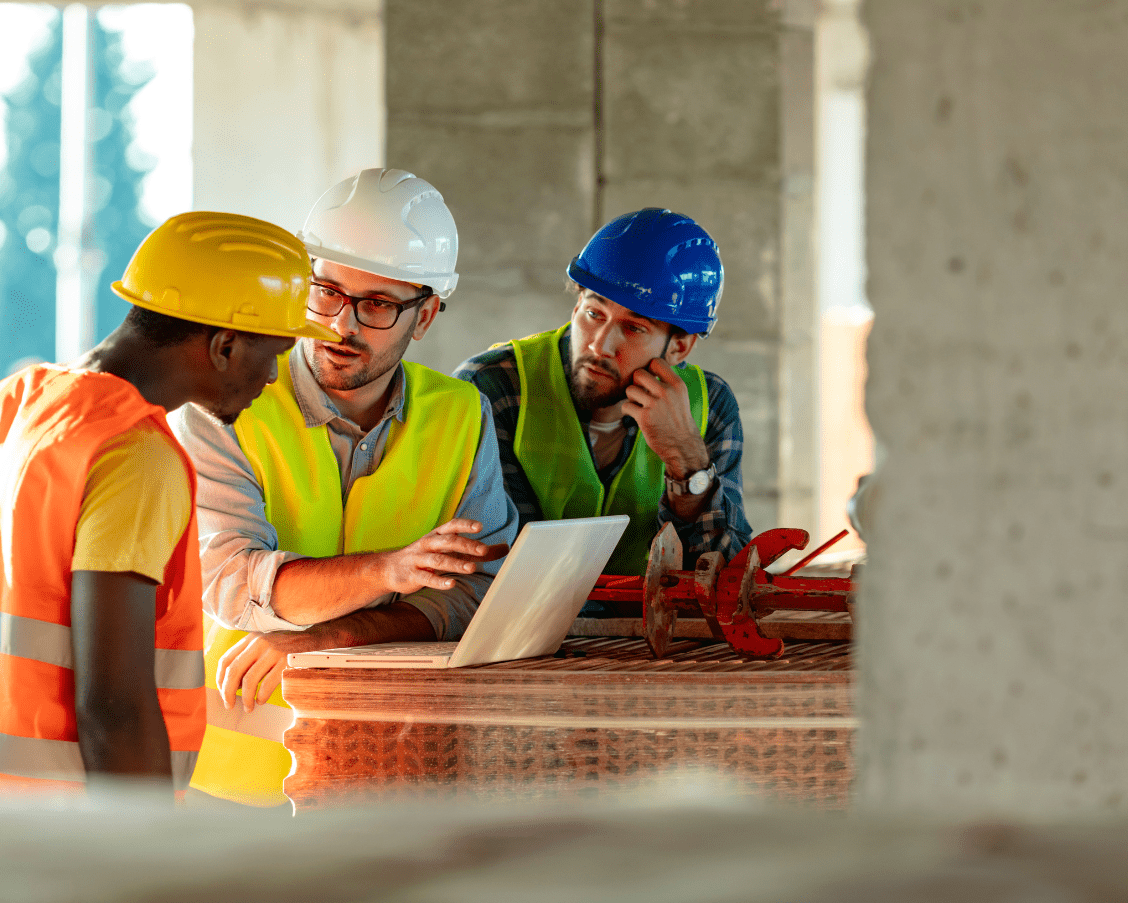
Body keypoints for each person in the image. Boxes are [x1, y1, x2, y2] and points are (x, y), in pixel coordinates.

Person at [0, 211, 337, 811]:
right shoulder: (133, 454)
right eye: (274, 352)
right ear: (226, 345)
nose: (274, 376)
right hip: (46, 841)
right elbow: (113, 710)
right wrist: (140, 867)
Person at [172, 168, 517, 808]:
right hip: (228, 777)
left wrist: (335, 637)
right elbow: (230, 584)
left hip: (394, 772)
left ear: (427, 314)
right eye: (326, 291)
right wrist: (390, 572)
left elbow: (477, 598)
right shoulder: (222, 404)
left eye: (379, 304)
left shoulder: (461, 415)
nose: (341, 324)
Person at [455, 207, 753, 576]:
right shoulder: (493, 388)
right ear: (577, 302)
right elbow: (501, 564)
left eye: (633, 328)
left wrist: (688, 463)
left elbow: (728, 577)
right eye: (594, 315)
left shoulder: (710, 406)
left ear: (679, 348)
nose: (600, 345)